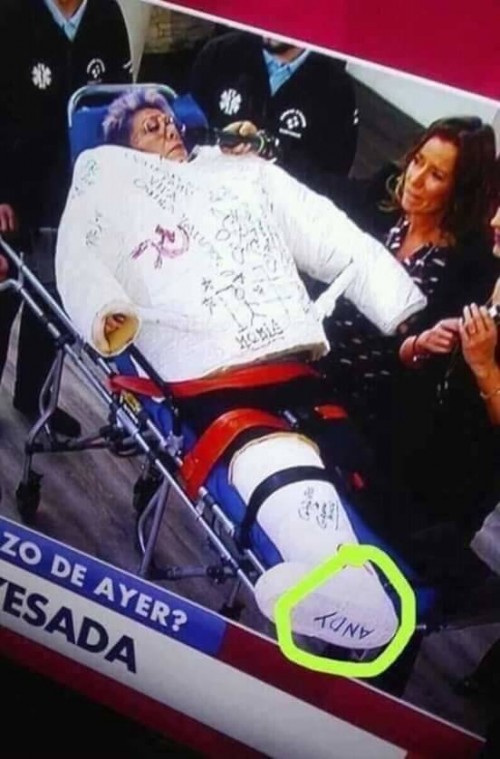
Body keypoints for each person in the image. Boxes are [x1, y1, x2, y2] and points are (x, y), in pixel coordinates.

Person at [54, 87, 428, 649]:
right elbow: (77, 254)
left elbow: (323, 227)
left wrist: (395, 301)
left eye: (169, 121)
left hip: (284, 352)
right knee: (261, 443)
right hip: (202, 363)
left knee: (339, 450)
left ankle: (362, 585)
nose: (169, 130)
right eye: (151, 128)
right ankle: (348, 588)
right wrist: (104, 311)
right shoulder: (105, 178)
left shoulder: (239, 169)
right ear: (123, 146)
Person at [317, 117, 499, 444]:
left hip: (368, 417)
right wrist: (264, 148)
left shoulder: (468, 270)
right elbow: (323, 188)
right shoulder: (382, 202)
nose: (415, 179)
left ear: (459, 191)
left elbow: (422, 379)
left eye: (436, 175)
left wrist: (416, 347)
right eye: (417, 161)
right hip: (311, 361)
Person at [0, 0, 132, 436]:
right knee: (3, 299)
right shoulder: (11, 14)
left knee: (53, 302)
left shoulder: (106, 15)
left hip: (74, 193)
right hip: (14, 187)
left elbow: (121, 106)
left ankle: (34, 397)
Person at [189, 31, 358, 190]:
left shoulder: (337, 90)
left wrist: (271, 151)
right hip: (207, 189)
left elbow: (331, 181)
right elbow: (184, 131)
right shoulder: (219, 54)